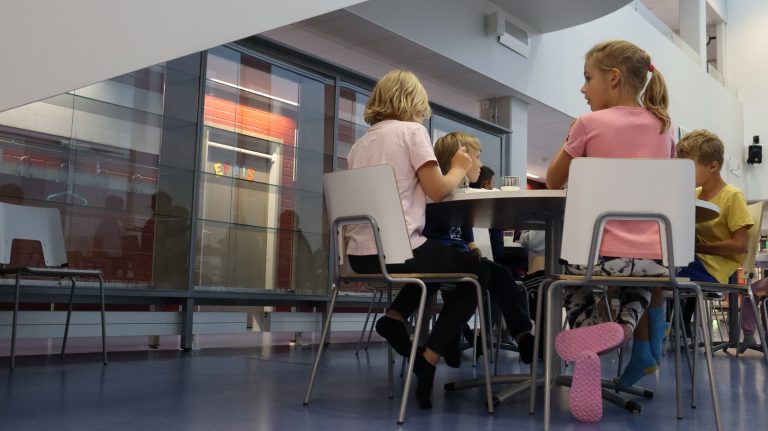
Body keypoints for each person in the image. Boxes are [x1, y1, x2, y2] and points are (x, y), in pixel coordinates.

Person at [545, 40, 676, 421]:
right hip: (655, 262)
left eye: (588, 78)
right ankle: (623, 329)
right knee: (640, 277)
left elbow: (553, 180)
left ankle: (588, 342)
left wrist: (571, 137)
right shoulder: (666, 128)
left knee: (571, 276)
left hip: (595, 258)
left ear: (613, 77)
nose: (582, 89)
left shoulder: (588, 124)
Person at [345, 69, 482, 409]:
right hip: (399, 252)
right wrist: (459, 167)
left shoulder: (359, 146)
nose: (423, 112)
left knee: (435, 266)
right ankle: (429, 358)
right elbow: (437, 190)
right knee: (477, 276)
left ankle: (394, 319)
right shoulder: (412, 132)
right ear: (413, 102)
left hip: (360, 256)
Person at [424, 132, 536, 364]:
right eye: (477, 157)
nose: (481, 164)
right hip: (444, 258)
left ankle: (522, 335)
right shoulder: (440, 191)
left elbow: (463, 228)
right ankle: (520, 335)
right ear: (459, 159)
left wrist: (470, 243)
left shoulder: (461, 193)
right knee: (490, 275)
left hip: (459, 257)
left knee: (500, 274)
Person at [674, 129, 753, 347]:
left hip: (714, 270)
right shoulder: (694, 194)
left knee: (663, 273)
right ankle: (675, 326)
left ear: (713, 166)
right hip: (695, 262)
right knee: (662, 266)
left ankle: (669, 327)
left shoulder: (732, 196)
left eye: (688, 166)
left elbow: (739, 245)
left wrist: (699, 248)